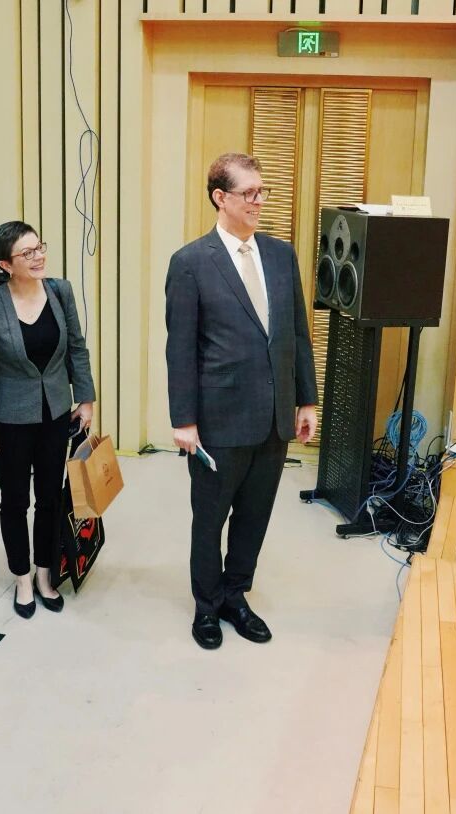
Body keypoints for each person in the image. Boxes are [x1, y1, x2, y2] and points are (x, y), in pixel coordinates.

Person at [165, 152, 318, 650]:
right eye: (248, 192)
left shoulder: (280, 255)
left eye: (261, 191)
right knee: (210, 519)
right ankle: (206, 606)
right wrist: (184, 420)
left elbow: (296, 333)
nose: (258, 201)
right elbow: (180, 349)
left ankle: (235, 596)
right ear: (220, 197)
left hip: (273, 418)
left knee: (254, 517)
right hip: (218, 420)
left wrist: (306, 400)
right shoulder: (190, 263)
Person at [0, 221, 95, 618]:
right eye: (28, 253)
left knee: (50, 497)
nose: (39, 256)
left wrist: (86, 398)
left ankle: (44, 573)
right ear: (6, 264)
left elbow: (77, 348)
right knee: (15, 500)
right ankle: (21, 578)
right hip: (10, 419)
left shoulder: (60, 291)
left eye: (39, 247)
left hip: (55, 412)